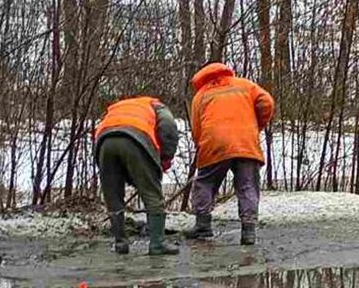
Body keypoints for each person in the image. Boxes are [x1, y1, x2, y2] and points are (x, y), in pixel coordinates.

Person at [187, 62, 275, 245]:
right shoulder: (245, 85)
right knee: (248, 185)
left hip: (214, 142)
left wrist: (201, 145)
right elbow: (267, 102)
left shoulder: (200, 95)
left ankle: (203, 225)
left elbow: (196, 127)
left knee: (205, 182)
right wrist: (255, 126)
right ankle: (249, 230)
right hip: (245, 142)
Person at [93, 95, 180, 255]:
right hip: (136, 138)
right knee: (151, 193)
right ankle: (157, 244)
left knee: (113, 195)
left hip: (104, 141)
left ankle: (120, 243)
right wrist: (166, 156)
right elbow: (168, 126)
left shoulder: (117, 107)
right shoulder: (155, 105)